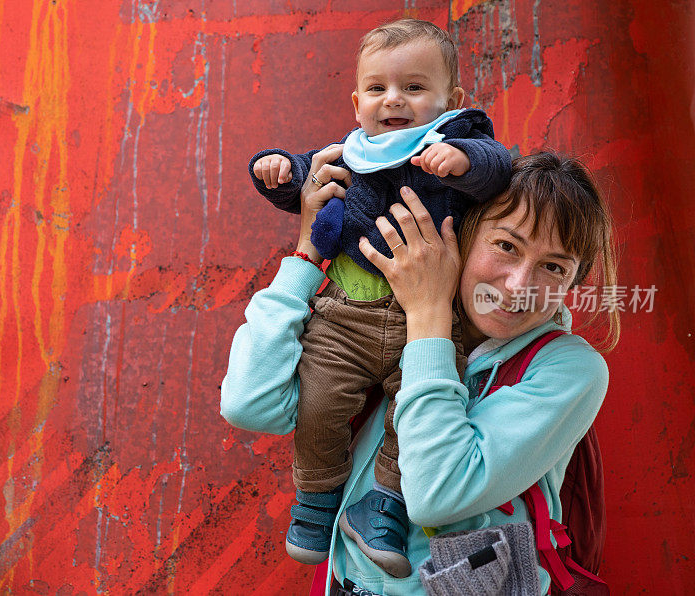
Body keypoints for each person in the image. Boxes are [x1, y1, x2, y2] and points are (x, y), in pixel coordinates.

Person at [221, 147, 619, 596]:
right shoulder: (381, 322)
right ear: (462, 233)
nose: (518, 286)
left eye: (553, 267)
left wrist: (428, 312)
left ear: (572, 284)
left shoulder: (569, 368)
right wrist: (309, 251)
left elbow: (437, 494)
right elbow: (251, 405)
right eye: (506, 246)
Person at [247, 19, 512, 577]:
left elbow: (498, 166)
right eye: (378, 88)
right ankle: (317, 499)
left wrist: (462, 163)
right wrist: (274, 171)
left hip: (431, 317)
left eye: (415, 88)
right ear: (357, 100)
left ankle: (384, 502)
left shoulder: (452, 144)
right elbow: (303, 177)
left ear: (451, 99)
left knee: (417, 407)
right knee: (319, 404)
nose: (394, 100)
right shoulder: (349, 152)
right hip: (345, 317)